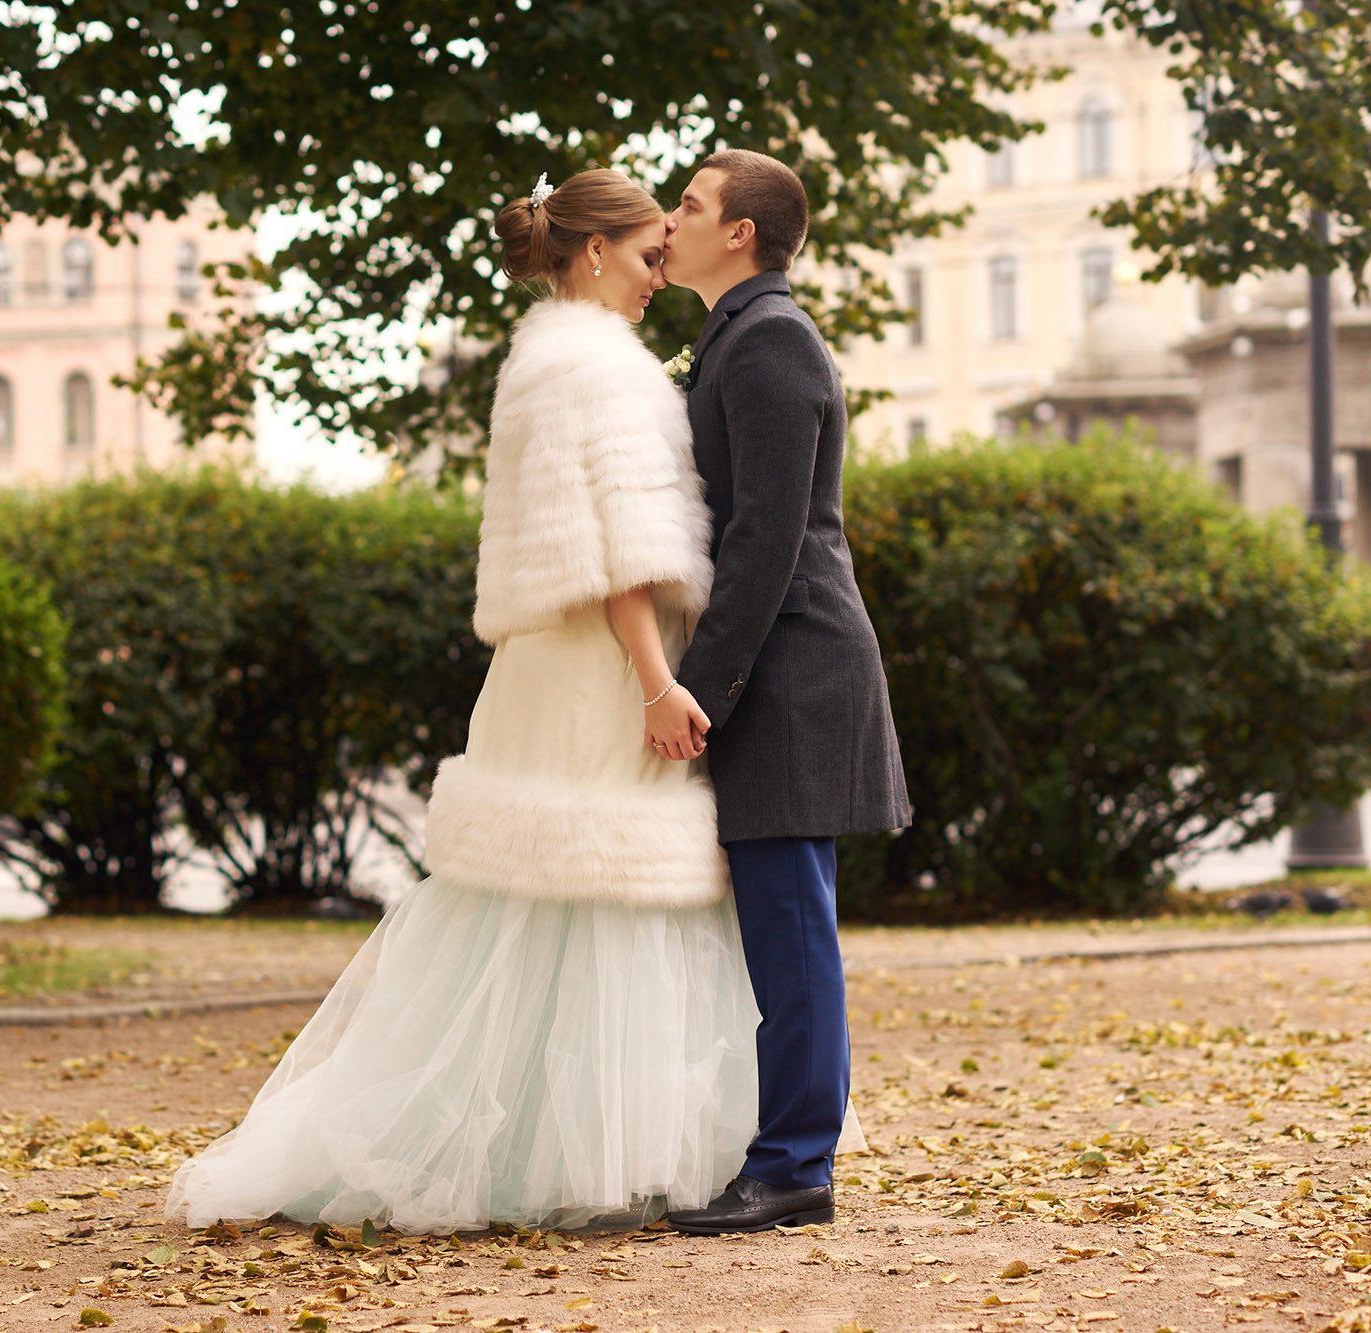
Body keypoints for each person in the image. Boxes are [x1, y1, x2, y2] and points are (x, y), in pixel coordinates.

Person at [164, 167, 760, 1233]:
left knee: (535, 902)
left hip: (549, 667)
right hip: (600, 667)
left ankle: (531, 1144)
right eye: (641, 257)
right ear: (589, 253)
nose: (654, 277)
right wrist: (657, 677)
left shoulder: (545, 361)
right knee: (594, 892)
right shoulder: (598, 370)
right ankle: (577, 1158)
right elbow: (617, 551)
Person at [654, 149, 912, 1236]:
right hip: (778, 665)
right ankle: (785, 1151)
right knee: (779, 921)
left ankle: (796, 1164)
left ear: (740, 234)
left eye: (689, 205)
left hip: (791, 671)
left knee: (791, 926)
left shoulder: (767, 342)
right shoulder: (732, 338)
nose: (669, 220)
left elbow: (764, 537)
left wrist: (690, 688)